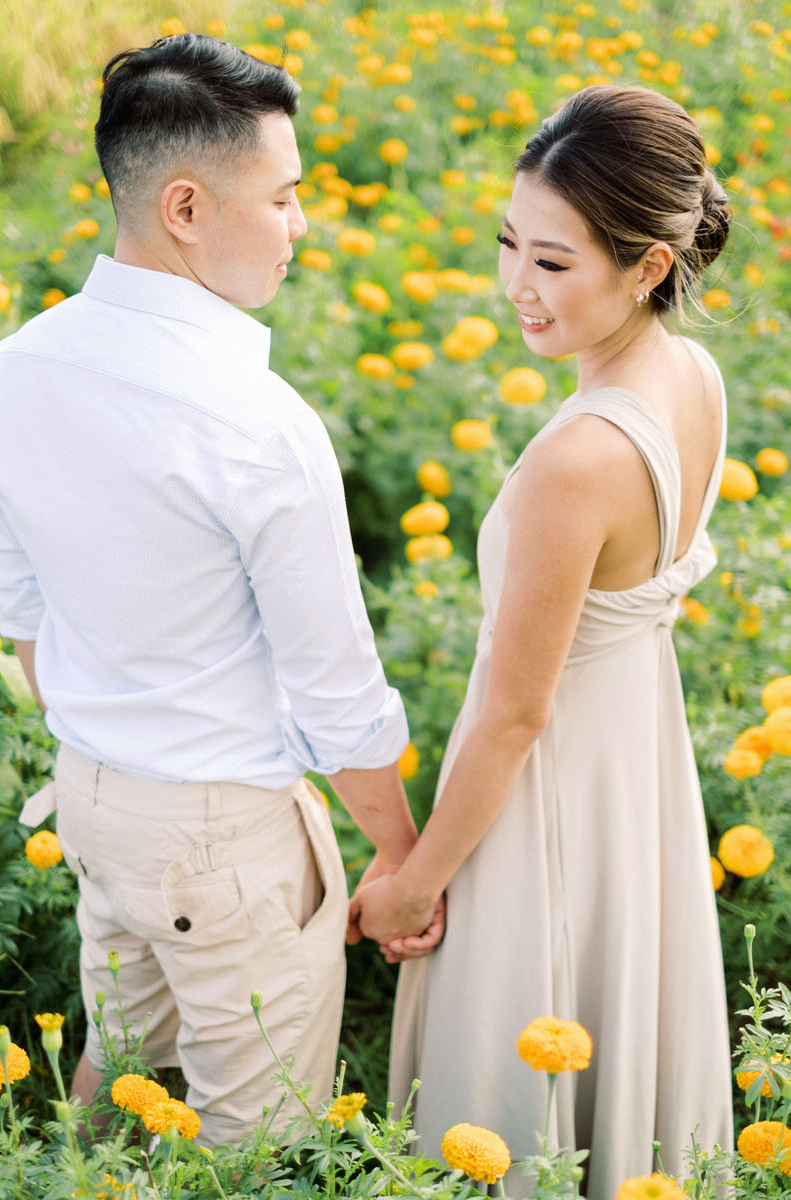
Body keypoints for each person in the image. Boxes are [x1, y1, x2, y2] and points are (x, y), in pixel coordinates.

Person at [0, 34, 442, 1148]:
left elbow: (23, 606)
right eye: (282, 197)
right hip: (226, 826)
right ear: (185, 207)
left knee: (105, 1095)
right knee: (259, 1145)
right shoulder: (257, 426)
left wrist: (109, 720)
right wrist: (398, 856)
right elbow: (334, 689)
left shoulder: (13, 369)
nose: (300, 225)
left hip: (97, 796)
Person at [350, 84, 734, 1197]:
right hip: (635, 772)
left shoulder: (579, 458)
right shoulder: (691, 379)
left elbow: (516, 713)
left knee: (514, 1065)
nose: (516, 285)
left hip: (551, 795)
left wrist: (418, 882)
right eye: (508, 242)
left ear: (647, 267)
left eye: (554, 263)